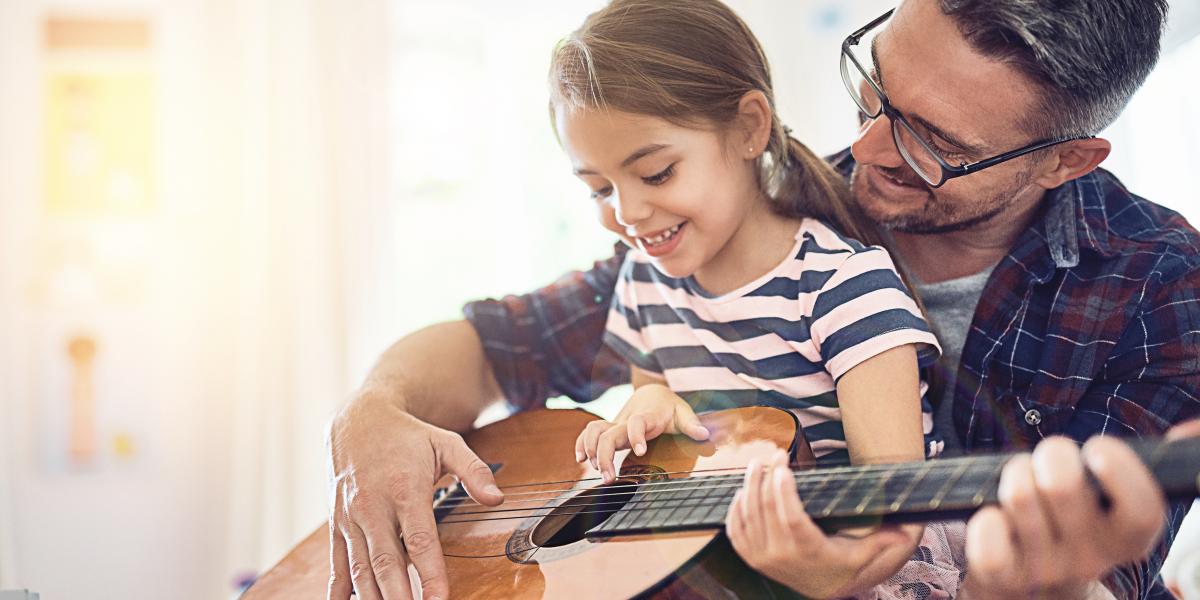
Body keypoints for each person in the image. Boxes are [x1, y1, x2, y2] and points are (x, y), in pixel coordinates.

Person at [324, 1, 1200, 599]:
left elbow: (1100, 572)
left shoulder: (1164, 289)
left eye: (933, 142)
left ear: (1065, 161)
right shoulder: (760, 213)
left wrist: (1027, 586)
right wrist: (374, 412)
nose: (864, 145)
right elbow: (493, 343)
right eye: (874, 87)